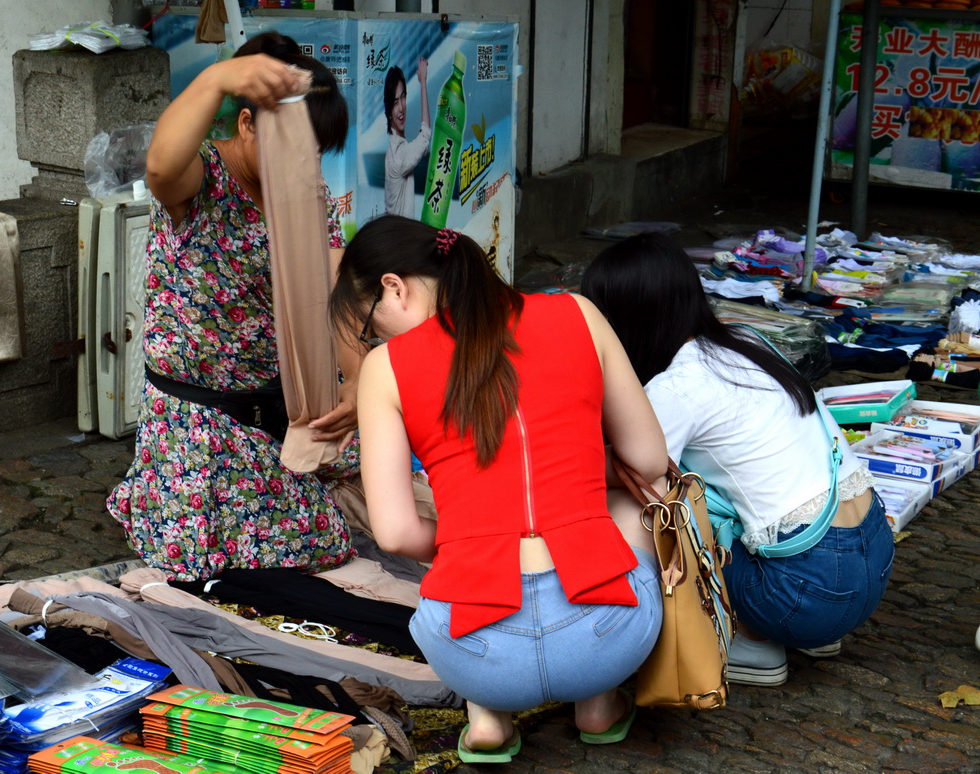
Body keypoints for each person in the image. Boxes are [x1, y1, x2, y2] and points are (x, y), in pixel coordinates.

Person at [329, 215, 667, 763]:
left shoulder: (386, 368)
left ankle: (487, 716)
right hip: (607, 637)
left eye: (370, 323)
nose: (378, 337)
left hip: (475, 654)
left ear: (396, 287)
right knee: (631, 499)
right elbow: (650, 461)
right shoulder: (577, 313)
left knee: (446, 547)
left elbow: (393, 533)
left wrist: (473, 540)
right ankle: (599, 702)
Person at [580, 233, 895, 687]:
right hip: (872, 559)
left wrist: (548, 458)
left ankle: (751, 641)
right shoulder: (747, 341)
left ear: (624, 321)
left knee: (655, 504)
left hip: (807, 590)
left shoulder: (676, 387)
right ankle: (810, 630)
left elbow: (636, 468)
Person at [107, 32, 360, 581]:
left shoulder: (304, 193)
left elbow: (337, 290)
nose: (309, 163)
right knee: (225, 562)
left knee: (330, 533)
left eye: (316, 152)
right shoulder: (205, 181)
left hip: (284, 407)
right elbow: (160, 168)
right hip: (201, 422)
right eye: (298, 146)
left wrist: (357, 381)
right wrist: (217, 78)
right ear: (248, 125)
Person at [383, 59, 430, 218]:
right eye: (395, 102)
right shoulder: (399, 155)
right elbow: (425, 135)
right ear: (389, 111)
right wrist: (423, 82)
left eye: (403, 97)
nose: (401, 108)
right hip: (400, 236)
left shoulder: (393, 147)